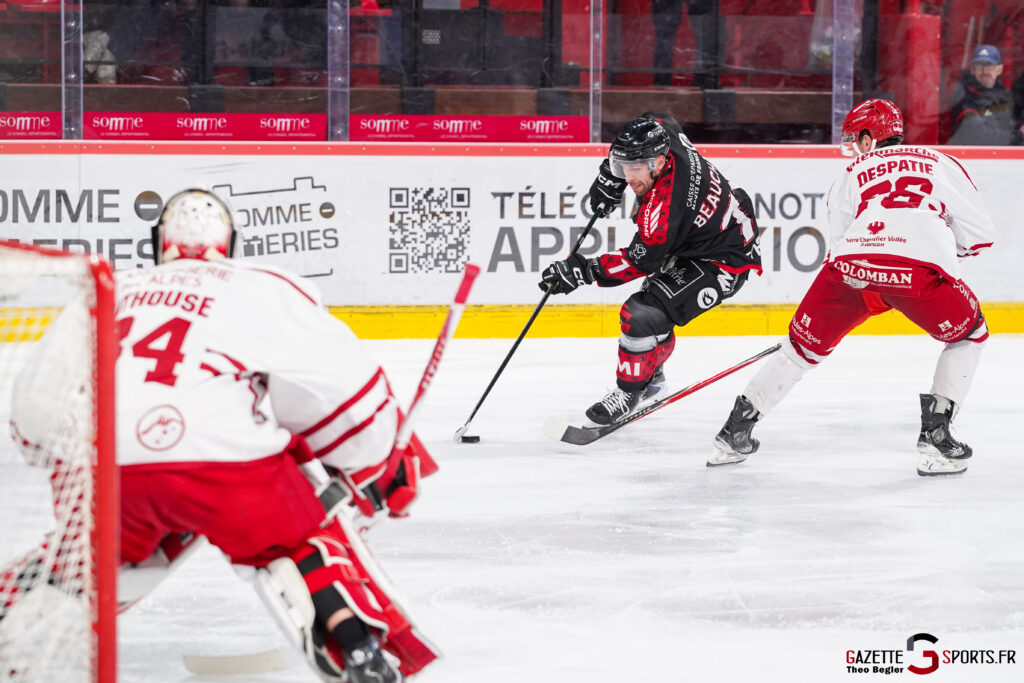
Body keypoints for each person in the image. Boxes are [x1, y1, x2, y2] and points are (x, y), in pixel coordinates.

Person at [1, 189, 439, 682]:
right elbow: (337, 387)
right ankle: (356, 644)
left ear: (157, 242)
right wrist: (372, 465)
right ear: (230, 243)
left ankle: (18, 607)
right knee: (300, 532)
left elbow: (34, 411)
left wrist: (59, 457)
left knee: (86, 551)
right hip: (218, 470)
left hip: (99, 469)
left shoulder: (107, 288)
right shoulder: (256, 284)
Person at [710, 99, 996, 477]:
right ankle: (937, 435)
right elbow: (981, 236)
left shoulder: (853, 169)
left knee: (798, 350)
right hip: (919, 273)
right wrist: (936, 252)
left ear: (867, 139)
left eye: (853, 139)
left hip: (850, 268)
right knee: (971, 334)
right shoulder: (940, 162)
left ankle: (733, 434)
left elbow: (842, 238)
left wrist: (877, 272)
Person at [538, 112, 762, 426]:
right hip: (702, 238)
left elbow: (638, 261)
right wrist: (609, 175)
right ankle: (652, 377)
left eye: (633, 169)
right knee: (655, 305)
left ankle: (631, 391)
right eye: (622, 167)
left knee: (640, 314)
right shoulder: (664, 135)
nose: (628, 178)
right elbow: (656, 117)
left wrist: (580, 270)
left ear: (657, 163)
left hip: (723, 261)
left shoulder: (667, 206)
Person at [948, 44, 1014, 145]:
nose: (985, 71)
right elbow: (981, 137)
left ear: (999, 70)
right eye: (979, 66)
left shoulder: (1004, 97)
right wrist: (1019, 136)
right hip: (968, 159)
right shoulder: (964, 97)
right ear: (972, 70)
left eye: (990, 66)